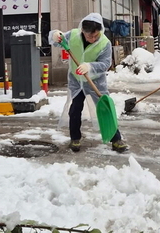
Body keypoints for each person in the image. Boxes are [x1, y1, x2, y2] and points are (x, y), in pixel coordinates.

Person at [49, 13, 128, 153]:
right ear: (82, 31)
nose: (92, 39)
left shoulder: (105, 43)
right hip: (77, 81)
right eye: (89, 36)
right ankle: (75, 139)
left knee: (105, 109)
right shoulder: (73, 35)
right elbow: (57, 41)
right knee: (75, 109)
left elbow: (105, 64)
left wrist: (90, 66)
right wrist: (55, 35)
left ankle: (116, 140)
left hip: (96, 81)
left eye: (95, 36)